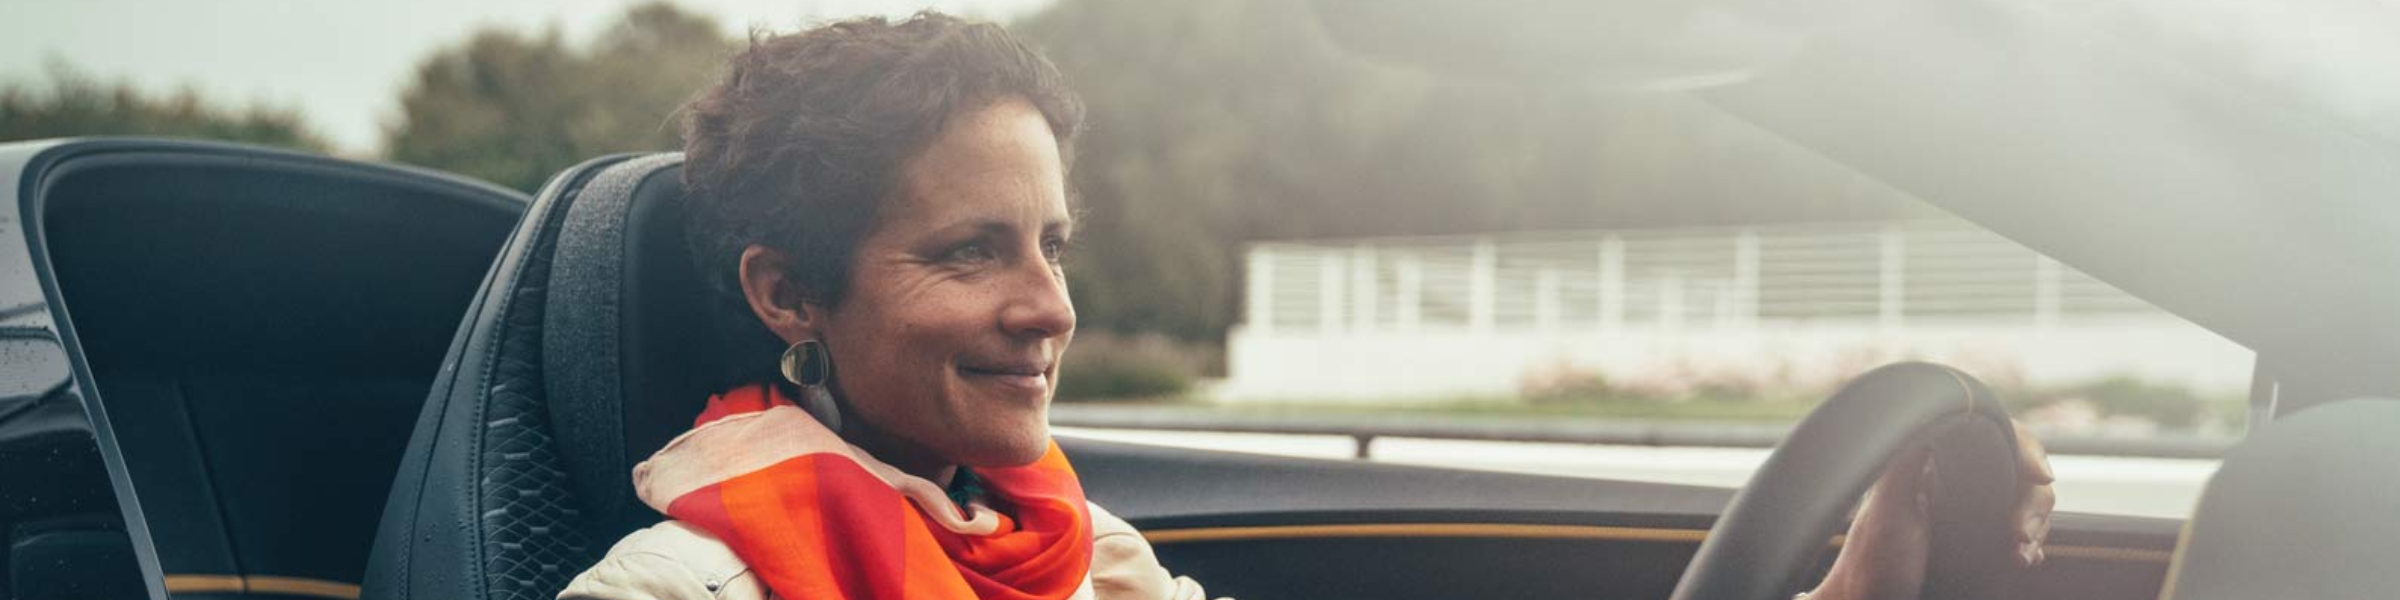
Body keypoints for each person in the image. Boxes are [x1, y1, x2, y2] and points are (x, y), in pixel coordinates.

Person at [559, 11, 2055, 600]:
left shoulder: (1079, 557)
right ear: (785, 292)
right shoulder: (678, 592)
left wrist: (1857, 589)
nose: (1046, 308)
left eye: (1055, 246)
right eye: (968, 253)